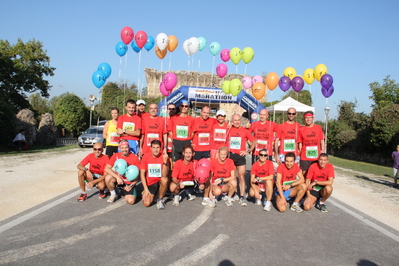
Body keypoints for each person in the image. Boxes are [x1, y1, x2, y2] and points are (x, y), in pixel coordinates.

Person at [227, 113, 256, 206]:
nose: (237, 122)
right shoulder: (228, 130)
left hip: (240, 156)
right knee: (233, 176)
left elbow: (254, 141)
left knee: (241, 176)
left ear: (241, 121)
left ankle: (242, 196)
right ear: (232, 121)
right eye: (235, 120)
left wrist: (248, 151)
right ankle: (234, 193)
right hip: (231, 155)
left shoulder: (244, 130)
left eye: (238, 120)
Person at [104, 140, 140, 204]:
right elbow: (107, 168)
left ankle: (124, 192)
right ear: (119, 148)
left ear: (129, 147)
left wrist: (131, 186)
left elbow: (138, 174)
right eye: (122, 148)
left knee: (131, 201)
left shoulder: (134, 157)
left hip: (129, 182)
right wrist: (117, 177)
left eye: (126, 147)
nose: (124, 149)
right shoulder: (116, 156)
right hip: (118, 180)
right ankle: (113, 194)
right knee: (108, 177)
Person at [140, 140, 169, 209]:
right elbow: (142, 174)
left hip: (159, 182)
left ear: (161, 148)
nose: (156, 150)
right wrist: (146, 189)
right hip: (150, 183)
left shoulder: (164, 157)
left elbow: (164, 175)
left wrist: (165, 162)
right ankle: (153, 195)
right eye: (154, 147)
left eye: (157, 147)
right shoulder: (146, 157)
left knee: (165, 180)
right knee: (146, 204)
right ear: (150, 148)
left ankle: (160, 199)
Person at [298, 111, 325, 176]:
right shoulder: (301, 129)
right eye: (306, 118)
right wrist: (300, 152)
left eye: (310, 118)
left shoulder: (318, 128)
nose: (308, 119)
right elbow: (300, 143)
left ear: (313, 118)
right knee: (305, 175)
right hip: (305, 156)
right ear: (304, 119)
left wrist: (322, 151)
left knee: (315, 174)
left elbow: (322, 140)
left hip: (316, 157)